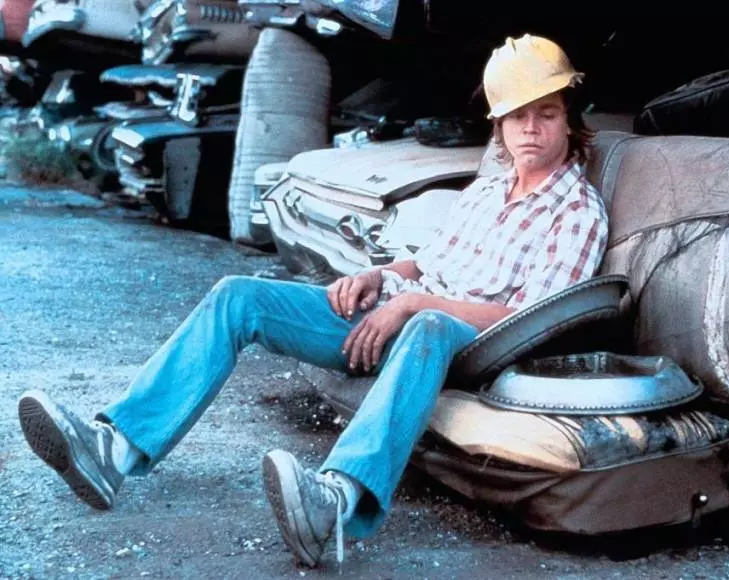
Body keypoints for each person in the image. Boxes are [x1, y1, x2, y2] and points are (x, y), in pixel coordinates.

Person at [17, 34, 609, 568]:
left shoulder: (576, 210)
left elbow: (533, 319)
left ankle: (335, 501)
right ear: (499, 126)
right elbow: (429, 262)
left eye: (547, 113)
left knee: (428, 322)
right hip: (400, 314)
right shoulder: (486, 190)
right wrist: (380, 276)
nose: (531, 128)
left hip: (470, 341)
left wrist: (413, 306)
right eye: (518, 115)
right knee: (239, 296)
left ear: (569, 121)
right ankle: (115, 449)